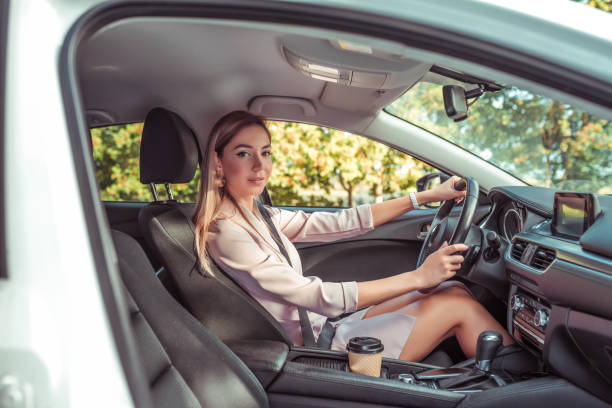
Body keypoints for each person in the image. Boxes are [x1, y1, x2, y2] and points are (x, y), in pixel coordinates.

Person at [193, 110, 513, 362]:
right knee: (461, 307)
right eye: (244, 153)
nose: (260, 166)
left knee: (453, 287)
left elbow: (343, 221)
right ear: (219, 163)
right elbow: (317, 297)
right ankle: (529, 388)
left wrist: (427, 197)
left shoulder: (258, 216)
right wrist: (418, 277)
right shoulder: (226, 233)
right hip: (325, 350)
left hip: (329, 329)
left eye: (266, 152)